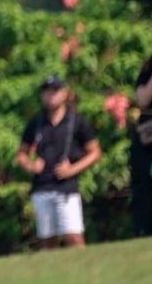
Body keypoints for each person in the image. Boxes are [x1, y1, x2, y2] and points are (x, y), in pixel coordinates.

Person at [15, 74, 101, 248]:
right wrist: (31, 166)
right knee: (48, 242)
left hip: (66, 188)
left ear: (64, 94)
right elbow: (21, 154)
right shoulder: (36, 123)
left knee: (74, 237)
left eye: (54, 91)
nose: (50, 95)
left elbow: (95, 152)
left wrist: (73, 169)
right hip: (42, 188)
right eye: (47, 92)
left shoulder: (76, 121)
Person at [130, 36, 152, 236]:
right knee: (145, 187)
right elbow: (143, 100)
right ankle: (144, 229)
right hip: (147, 141)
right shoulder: (147, 75)